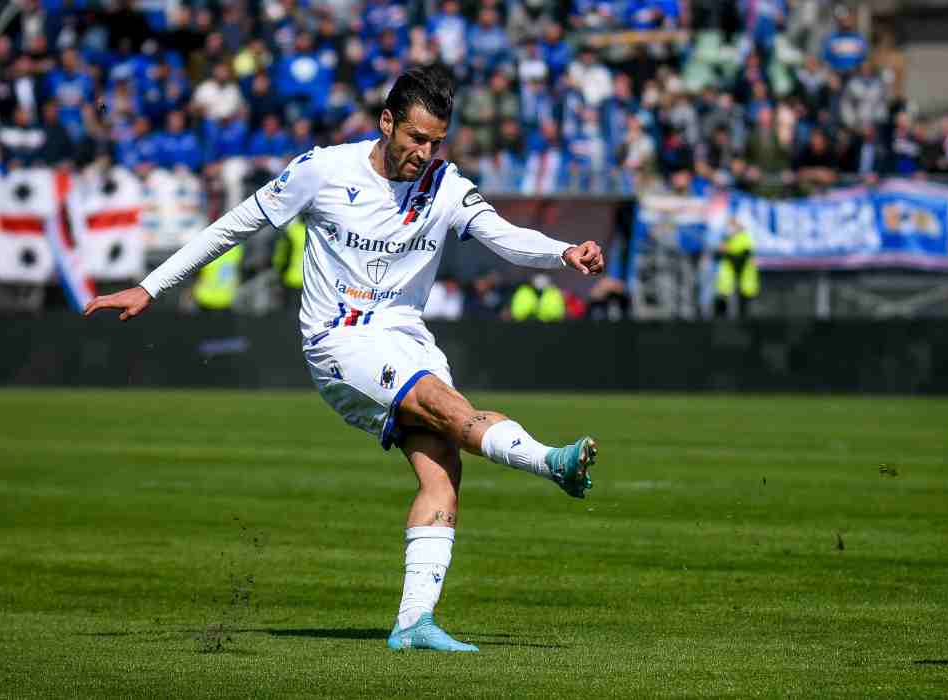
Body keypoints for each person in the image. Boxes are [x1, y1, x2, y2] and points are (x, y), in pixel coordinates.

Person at [83, 65, 604, 653]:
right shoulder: (323, 171)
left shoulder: (446, 185)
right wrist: (151, 286)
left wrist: (564, 252)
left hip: (406, 340)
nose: (424, 153)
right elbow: (237, 224)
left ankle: (413, 624)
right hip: (340, 342)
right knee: (449, 408)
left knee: (442, 470)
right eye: (416, 138)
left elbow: (502, 234)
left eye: (437, 141)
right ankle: (552, 463)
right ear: (387, 123)